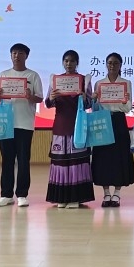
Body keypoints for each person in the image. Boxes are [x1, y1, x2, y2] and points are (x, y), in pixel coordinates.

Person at [0, 43, 44, 208]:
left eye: (20, 53)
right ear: (10, 56)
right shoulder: (3, 75)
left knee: (23, 160)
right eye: (14, 53)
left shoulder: (33, 75)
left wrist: (30, 96)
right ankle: (6, 194)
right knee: (7, 160)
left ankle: (22, 194)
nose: (17, 56)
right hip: (6, 124)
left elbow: (40, 98)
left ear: (26, 56)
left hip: (25, 124)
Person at [45, 49, 95, 208]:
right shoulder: (55, 80)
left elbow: (89, 104)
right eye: (66, 61)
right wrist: (51, 98)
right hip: (60, 125)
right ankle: (61, 198)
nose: (69, 64)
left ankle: (75, 198)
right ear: (63, 62)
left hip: (78, 126)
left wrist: (84, 97)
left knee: (77, 160)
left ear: (77, 63)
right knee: (60, 161)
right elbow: (48, 103)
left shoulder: (84, 80)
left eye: (72, 61)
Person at [92, 52, 134, 207]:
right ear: (106, 64)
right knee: (102, 156)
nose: (112, 65)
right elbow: (95, 108)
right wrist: (94, 99)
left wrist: (123, 102)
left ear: (120, 65)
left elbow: (128, 108)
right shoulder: (99, 83)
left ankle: (117, 193)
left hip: (118, 120)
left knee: (120, 155)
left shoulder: (126, 83)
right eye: (110, 63)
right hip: (103, 120)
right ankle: (106, 193)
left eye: (116, 63)